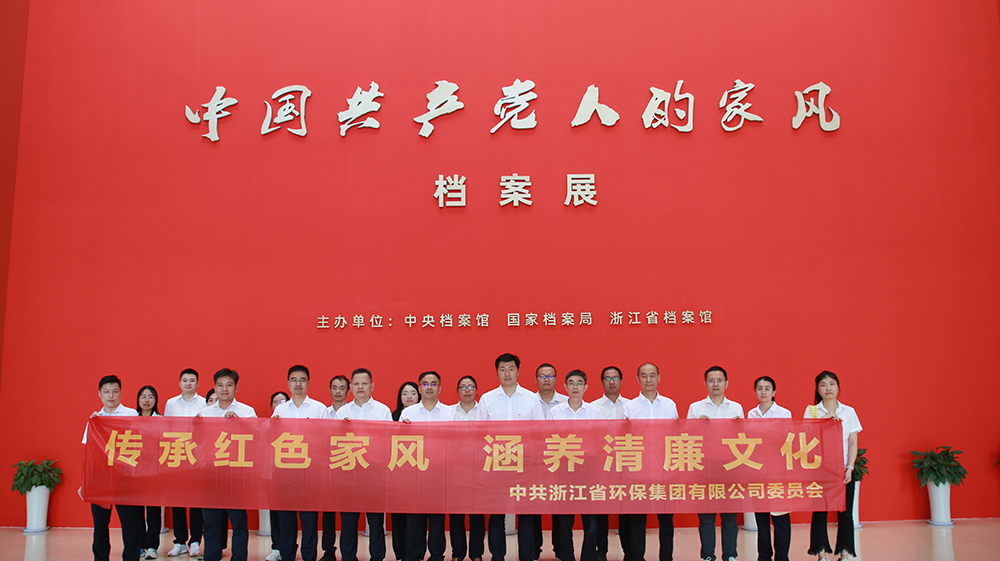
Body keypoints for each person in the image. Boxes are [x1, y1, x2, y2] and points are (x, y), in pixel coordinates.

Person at [478, 353, 543, 561]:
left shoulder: (531, 398)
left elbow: (539, 432)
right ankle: (497, 556)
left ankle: (527, 556)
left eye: (511, 369)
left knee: (526, 516)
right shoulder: (487, 399)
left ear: (518, 371)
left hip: (525, 464)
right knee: (497, 515)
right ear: (497, 372)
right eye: (503, 369)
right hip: (497, 464)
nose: (507, 373)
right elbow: (480, 434)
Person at [82, 375, 144, 561]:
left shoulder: (131, 414)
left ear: (120, 393)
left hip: (125, 479)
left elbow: (139, 443)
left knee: (130, 525)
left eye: (115, 391)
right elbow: (89, 453)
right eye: (106, 392)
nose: (111, 396)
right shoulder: (95, 419)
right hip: (101, 480)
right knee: (100, 525)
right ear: (99, 394)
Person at [622, 363, 679, 561]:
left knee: (666, 521)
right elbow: (623, 439)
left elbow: (676, 436)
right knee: (638, 521)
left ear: (659, 378)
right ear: (638, 379)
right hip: (638, 471)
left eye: (652, 375)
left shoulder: (670, 405)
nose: (648, 380)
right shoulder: (629, 407)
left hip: (665, 470)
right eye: (644, 376)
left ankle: (666, 558)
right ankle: (638, 558)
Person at [686, 366, 743, 561]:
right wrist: (697, 426)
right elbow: (687, 438)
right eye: (711, 380)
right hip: (705, 468)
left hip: (731, 467)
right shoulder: (696, 408)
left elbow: (745, 439)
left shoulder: (736, 408)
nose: (715, 384)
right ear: (705, 384)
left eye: (719, 380)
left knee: (730, 517)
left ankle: (730, 555)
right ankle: (708, 555)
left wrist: (739, 427)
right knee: (706, 518)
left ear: (726, 383)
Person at [272, 365, 329, 561]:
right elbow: (271, 439)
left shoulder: (319, 408)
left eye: (302, 380)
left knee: (309, 521)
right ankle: (287, 555)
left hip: (310, 472)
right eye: (294, 380)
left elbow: (326, 439)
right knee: (286, 521)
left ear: (308, 383)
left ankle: (309, 557)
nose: (298, 384)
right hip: (285, 472)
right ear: (288, 383)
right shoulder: (280, 410)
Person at [200, 368, 257, 561]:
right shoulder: (205, 413)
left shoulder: (246, 411)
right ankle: (211, 556)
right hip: (211, 473)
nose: (224, 389)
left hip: (236, 474)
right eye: (220, 385)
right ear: (215, 387)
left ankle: (239, 558)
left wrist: (240, 423)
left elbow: (257, 437)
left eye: (229, 385)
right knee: (211, 522)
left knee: (238, 522)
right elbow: (198, 442)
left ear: (236, 387)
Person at [805, 371, 862, 561]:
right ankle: (821, 553)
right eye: (823, 384)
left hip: (844, 470)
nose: (828, 388)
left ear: (838, 387)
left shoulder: (849, 411)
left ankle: (845, 552)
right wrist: (824, 422)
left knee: (845, 513)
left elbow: (853, 442)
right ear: (818, 390)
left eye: (831, 384)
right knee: (820, 512)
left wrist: (850, 467)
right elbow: (807, 440)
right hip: (820, 471)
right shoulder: (812, 411)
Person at [401, 372, 458, 561]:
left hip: (439, 475)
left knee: (437, 521)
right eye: (425, 384)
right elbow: (398, 443)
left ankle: (436, 555)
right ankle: (413, 556)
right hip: (414, 476)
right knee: (414, 521)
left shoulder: (450, 413)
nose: (429, 387)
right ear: (419, 388)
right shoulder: (408, 413)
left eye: (434, 384)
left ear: (440, 388)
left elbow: (456, 441)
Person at [336, 368, 391, 561]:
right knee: (348, 522)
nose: (360, 387)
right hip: (348, 473)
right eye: (356, 384)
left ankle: (377, 557)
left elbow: (389, 441)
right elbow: (333, 441)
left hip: (375, 473)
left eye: (364, 383)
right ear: (350, 387)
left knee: (376, 522)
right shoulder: (342, 412)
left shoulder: (382, 411)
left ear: (372, 386)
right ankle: (348, 557)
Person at [548, 370, 602, 561]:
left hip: (589, 471)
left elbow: (599, 440)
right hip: (564, 470)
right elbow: (550, 440)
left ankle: (588, 556)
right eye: (571, 383)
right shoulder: (555, 412)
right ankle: (566, 556)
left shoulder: (595, 412)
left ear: (586, 387)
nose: (575, 387)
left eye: (579, 383)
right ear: (565, 387)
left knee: (591, 519)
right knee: (564, 520)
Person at [747, 376, 791, 561]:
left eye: (767, 388)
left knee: (780, 518)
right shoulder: (751, 414)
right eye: (759, 388)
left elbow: (787, 440)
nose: (763, 392)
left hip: (778, 471)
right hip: (757, 471)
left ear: (774, 392)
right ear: (755, 391)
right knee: (762, 519)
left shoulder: (784, 413)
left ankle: (782, 557)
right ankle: (764, 556)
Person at [164, 369, 207, 558]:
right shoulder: (171, 403)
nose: (188, 383)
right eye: (185, 380)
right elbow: (165, 427)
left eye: (192, 380)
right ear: (179, 383)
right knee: (178, 501)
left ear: (198, 383)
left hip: (197, 456)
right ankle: (180, 542)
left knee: (197, 502)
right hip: (177, 455)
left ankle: (195, 541)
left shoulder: (204, 403)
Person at [589, 366, 629, 561]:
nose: (611, 382)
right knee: (601, 512)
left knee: (626, 511)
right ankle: (601, 551)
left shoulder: (631, 406)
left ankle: (629, 551)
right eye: (607, 378)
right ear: (602, 382)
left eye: (615, 378)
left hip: (627, 463)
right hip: (601, 464)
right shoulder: (593, 407)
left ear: (621, 381)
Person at [533, 363, 567, 561]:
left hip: (560, 462)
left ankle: (561, 550)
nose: (546, 380)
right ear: (536, 379)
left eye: (550, 376)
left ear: (556, 379)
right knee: (533, 508)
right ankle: (534, 550)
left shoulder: (566, 401)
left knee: (559, 508)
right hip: (533, 463)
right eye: (542, 376)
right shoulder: (529, 401)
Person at [450, 376, 485, 561]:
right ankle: (458, 553)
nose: (467, 390)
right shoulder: (449, 412)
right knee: (456, 515)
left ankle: (476, 554)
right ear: (457, 391)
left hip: (479, 469)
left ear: (476, 390)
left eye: (470, 386)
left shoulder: (484, 412)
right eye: (463, 387)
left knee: (477, 515)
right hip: (454, 470)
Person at [390, 381, 421, 561]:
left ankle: (415, 555)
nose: (409, 397)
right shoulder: (392, 417)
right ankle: (400, 554)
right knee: (399, 518)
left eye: (413, 393)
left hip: (420, 475)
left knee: (416, 519)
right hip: (397, 477)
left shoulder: (424, 417)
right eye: (405, 393)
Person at [321, 375, 351, 561]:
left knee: (348, 514)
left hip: (350, 467)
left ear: (348, 390)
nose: (338, 391)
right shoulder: (323, 413)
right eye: (334, 388)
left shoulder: (353, 411)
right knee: (328, 513)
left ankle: (348, 552)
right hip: (328, 468)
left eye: (342, 388)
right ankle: (328, 550)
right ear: (330, 390)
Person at [136, 386, 163, 559]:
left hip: (154, 472)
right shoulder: (130, 418)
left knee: (153, 511)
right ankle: (139, 545)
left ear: (155, 400)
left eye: (150, 396)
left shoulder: (161, 420)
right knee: (136, 511)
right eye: (143, 396)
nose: (147, 400)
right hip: (135, 472)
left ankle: (152, 546)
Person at [265, 392, 290, 561]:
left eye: (282, 401)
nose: (278, 404)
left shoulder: (295, 423)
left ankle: (289, 548)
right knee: (276, 513)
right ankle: (277, 547)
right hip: (273, 475)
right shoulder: (266, 425)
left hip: (295, 473)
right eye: (275, 402)